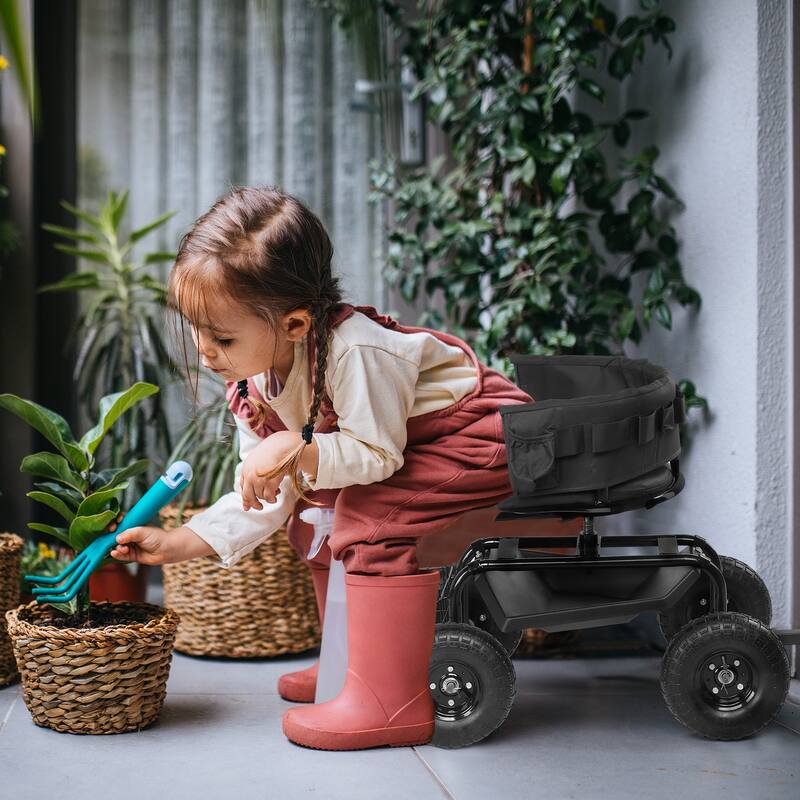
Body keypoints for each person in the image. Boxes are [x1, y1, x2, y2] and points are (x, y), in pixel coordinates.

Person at [109, 185, 535, 751]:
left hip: (478, 436)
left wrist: (292, 448)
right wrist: (181, 542)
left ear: (294, 325)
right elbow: (268, 491)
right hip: (408, 449)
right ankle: (347, 664)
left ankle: (391, 700)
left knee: (369, 516)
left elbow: (376, 456)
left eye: (222, 335)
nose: (204, 350)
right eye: (196, 329)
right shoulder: (253, 381)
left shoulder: (356, 352)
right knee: (313, 519)